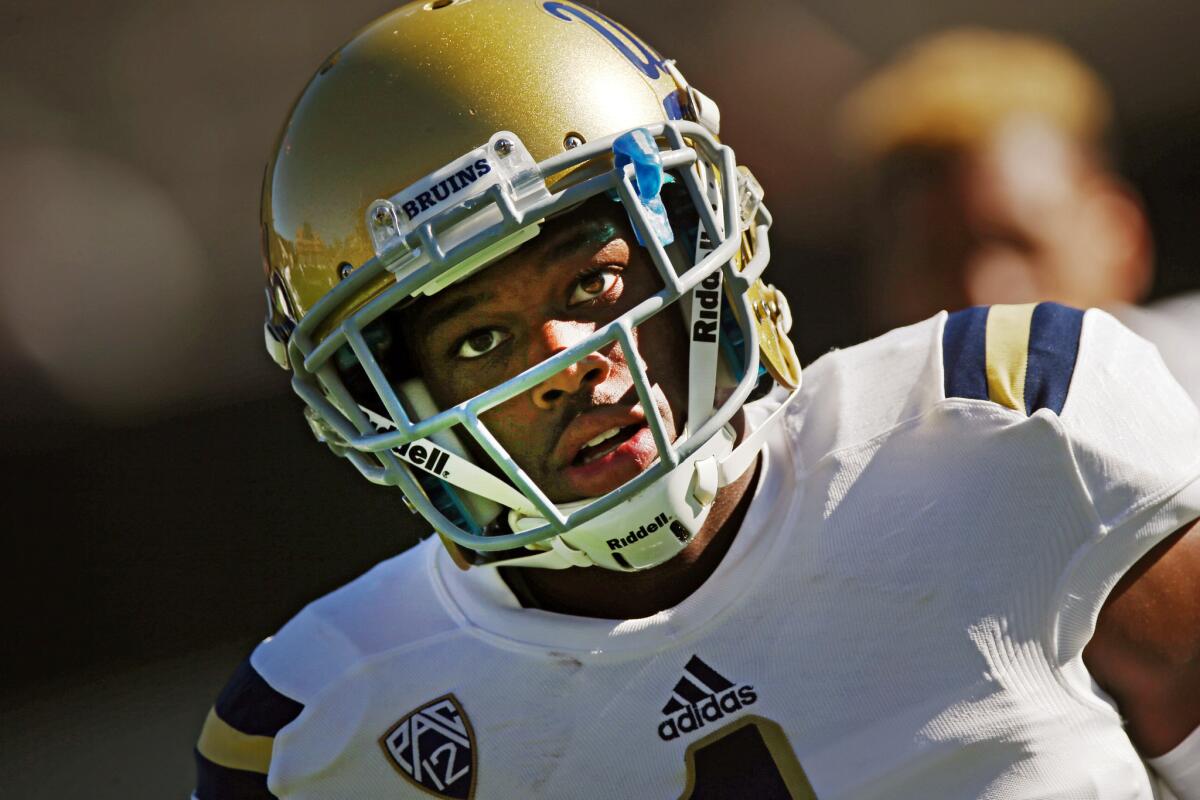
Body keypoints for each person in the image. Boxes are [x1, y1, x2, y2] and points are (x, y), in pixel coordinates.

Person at [194, 3, 1200, 798]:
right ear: (388, 397)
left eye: (592, 282)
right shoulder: (312, 733)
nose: (567, 361)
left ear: (696, 244)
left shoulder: (1014, 423)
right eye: (480, 339)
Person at [837, 28, 1200, 401]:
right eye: (936, 259)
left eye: (1019, 245)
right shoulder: (823, 441)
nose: (982, 299)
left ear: (1122, 238)